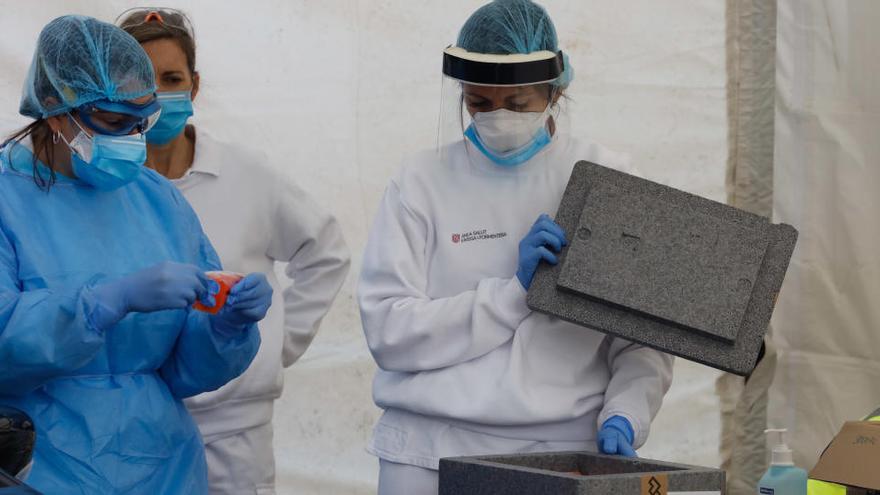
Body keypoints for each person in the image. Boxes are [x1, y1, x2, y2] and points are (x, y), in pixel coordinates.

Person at [357, 0, 675, 493]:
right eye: (479, 103)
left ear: (556, 90)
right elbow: (389, 331)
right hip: (428, 449)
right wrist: (513, 293)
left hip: (564, 453)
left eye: (518, 103)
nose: (497, 118)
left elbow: (642, 336)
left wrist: (626, 414)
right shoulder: (419, 181)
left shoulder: (604, 180)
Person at [0, 15, 272, 494]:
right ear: (53, 106)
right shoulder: (7, 200)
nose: (128, 140)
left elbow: (183, 372)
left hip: (162, 466)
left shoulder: (156, 199)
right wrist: (103, 303)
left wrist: (223, 327)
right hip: (41, 467)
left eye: (137, 122)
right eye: (111, 122)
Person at [117, 9, 351, 494]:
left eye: (172, 78)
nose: (158, 92)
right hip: (134, 422)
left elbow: (324, 250)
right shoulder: (108, 181)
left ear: (196, 85)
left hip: (233, 430)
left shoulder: (246, 174)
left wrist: (273, 345)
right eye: (142, 78)